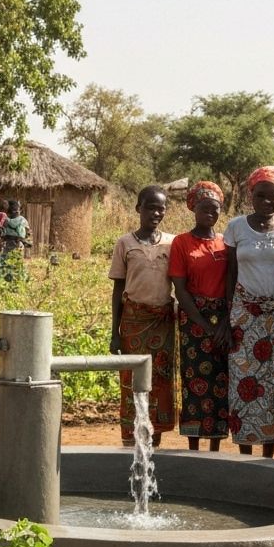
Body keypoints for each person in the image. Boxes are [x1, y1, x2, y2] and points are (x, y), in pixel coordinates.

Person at [223, 166, 274, 457]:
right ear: (250, 195)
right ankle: (245, 454)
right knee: (243, 382)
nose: (267, 201)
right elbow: (230, 274)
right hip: (244, 317)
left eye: (273, 196)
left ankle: (268, 455)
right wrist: (228, 315)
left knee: (272, 387)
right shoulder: (236, 227)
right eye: (261, 195)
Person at [109, 186, 176, 447]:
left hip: (163, 323)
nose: (156, 212)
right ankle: (130, 442)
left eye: (161, 208)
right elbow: (118, 289)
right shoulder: (125, 243)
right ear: (139, 208)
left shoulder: (172, 243)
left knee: (159, 381)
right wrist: (115, 333)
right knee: (131, 381)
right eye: (150, 207)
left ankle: (154, 443)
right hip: (132, 323)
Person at [168, 181, 229, 450]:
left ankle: (215, 448)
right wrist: (203, 325)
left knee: (220, 382)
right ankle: (194, 447)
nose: (210, 213)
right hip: (193, 320)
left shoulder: (225, 243)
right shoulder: (182, 243)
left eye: (215, 209)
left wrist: (224, 323)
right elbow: (180, 289)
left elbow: (231, 283)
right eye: (205, 208)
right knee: (194, 381)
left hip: (223, 320)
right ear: (194, 208)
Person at [0, 199, 31, 282]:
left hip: (16, 243)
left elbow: (14, 225)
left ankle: (17, 281)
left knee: (15, 263)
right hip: (9, 243)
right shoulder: (8, 219)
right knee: (6, 262)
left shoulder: (19, 219)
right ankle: (7, 280)